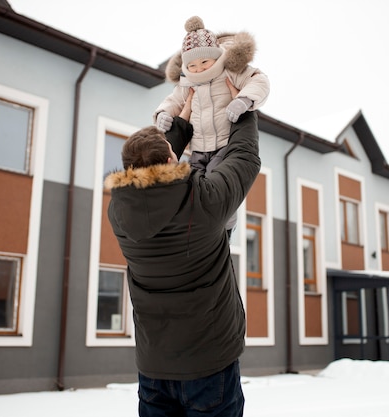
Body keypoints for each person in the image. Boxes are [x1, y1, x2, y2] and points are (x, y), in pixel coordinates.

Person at [104, 82, 261, 416]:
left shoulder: (118, 213)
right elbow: (244, 157)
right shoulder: (205, 200)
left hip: (153, 369)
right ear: (172, 158)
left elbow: (152, 172)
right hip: (210, 366)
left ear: (129, 168)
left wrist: (179, 128)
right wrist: (241, 108)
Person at [153, 15, 269, 233]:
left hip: (224, 144)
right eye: (193, 65)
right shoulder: (186, 82)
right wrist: (163, 114)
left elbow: (259, 81)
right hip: (198, 148)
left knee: (217, 184)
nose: (199, 68)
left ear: (216, 57)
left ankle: (226, 221)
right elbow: (174, 101)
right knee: (192, 185)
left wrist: (244, 100)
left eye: (205, 62)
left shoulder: (231, 72)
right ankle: (193, 227)